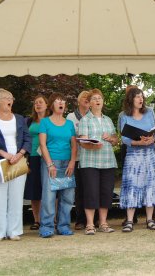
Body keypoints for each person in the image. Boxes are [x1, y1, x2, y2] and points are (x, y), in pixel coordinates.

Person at [0, 88, 31, 242]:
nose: (11, 100)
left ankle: (14, 231)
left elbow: (27, 139)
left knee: (16, 197)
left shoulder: (19, 118)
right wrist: (5, 154)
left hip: (18, 161)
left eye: (11, 97)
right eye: (6, 97)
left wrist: (20, 154)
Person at [119, 88, 155, 232]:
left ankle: (150, 219)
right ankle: (130, 221)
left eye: (142, 97)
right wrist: (138, 142)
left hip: (150, 154)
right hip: (133, 156)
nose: (141, 99)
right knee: (132, 186)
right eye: (137, 97)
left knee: (150, 185)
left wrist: (152, 138)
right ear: (130, 99)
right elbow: (124, 138)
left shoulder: (150, 112)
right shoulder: (123, 115)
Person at [78, 89, 118, 235]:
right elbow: (82, 141)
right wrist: (92, 145)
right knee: (91, 192)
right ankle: (89, 224)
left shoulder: (108, 120)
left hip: (108, 161)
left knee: (106, 193)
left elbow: (115, 141)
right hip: (90, 162)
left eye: (99, 98)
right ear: (89, 103)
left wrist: (111, 138)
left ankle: (103, 223)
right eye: (94, 99)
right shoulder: (85, 120)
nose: (97, 100)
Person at [38, 93, 76, 238]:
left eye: (63, 101)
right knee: (49, 196)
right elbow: (42, 145)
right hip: (51, 162)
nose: (61, 103)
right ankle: (46, 227)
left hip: (67, 163)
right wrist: (50, 164)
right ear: (52, 104)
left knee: (67, 196)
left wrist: (72, 162)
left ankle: (63, 226)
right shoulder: (45, 122)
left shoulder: (69, 124)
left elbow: (73, 146)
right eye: (58, 101)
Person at [24, 95, 50, 231]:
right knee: (35, 189)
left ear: (47, 105)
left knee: (50, 188)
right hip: (33, 157)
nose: (38, 104)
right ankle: (37, 220)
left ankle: (52, 218)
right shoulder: (29, 121)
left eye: (40, 102)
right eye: (35, 103)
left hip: (48, 157)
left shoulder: (52, 120)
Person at [66, 90, 90, 230]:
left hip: (92, 158)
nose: (86, 99)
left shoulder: (94, 116)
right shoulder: (70, 117)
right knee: (79, 190)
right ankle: (80, 219)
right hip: (76, 158)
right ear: (78, 100)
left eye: (89, 98)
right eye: (84, 97)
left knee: (91, 189)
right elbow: (69, 137)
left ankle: (94, 219)